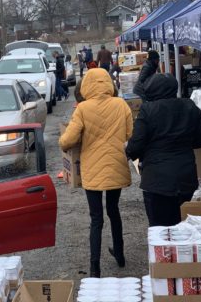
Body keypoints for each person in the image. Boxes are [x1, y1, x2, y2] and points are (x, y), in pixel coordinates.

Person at [59, 68, 133, 278]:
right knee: (114, 210)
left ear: (87, 85)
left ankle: (94, 268)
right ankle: (119, 255)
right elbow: (130, 134)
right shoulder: (121, 104)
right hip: (116, 165)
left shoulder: (82, 108)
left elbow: (68, 140)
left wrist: (63, 142)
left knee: (96, 218)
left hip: (92, 170)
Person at [126, 74, 201, 227]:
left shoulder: (148, 110)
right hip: (186, 176)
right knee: (185, 226)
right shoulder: (190, 106)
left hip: (157, 179)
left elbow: (135, 145)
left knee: (160, 230)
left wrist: (129, 153)